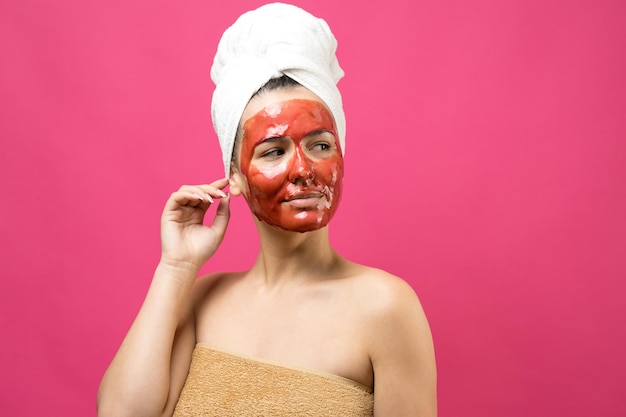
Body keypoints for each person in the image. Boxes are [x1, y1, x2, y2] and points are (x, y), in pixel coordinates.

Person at [97, 3, 436, 416]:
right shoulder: (203, 298)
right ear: (235, 176)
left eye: (321, 145)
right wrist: (176, 268)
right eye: (274, 151)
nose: (303, 170)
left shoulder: (385, 307)